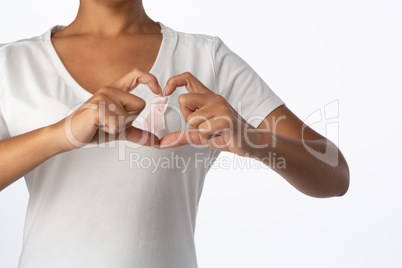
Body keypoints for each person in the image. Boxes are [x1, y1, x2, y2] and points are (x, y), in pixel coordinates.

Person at [0, 0, 350, 267]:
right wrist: (61, 134)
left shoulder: (207, 59)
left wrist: (253, 139)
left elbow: (335, 174)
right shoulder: (12, 64)